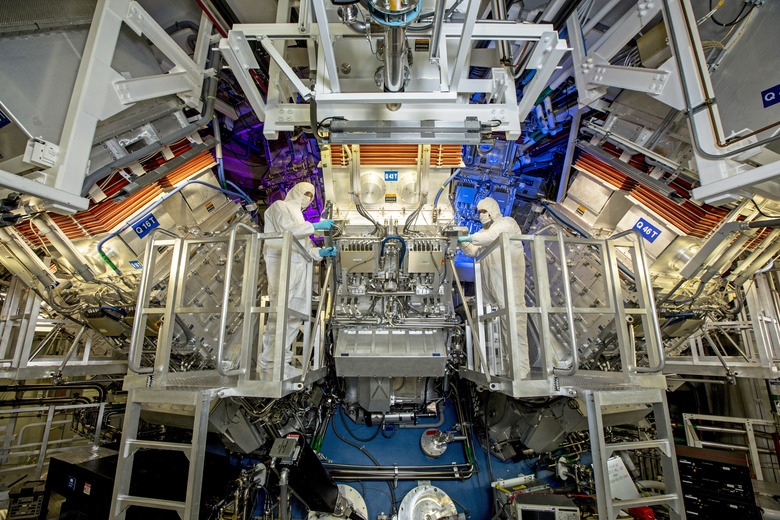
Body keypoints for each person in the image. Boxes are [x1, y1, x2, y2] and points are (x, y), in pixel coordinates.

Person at [261, 182, 336, 377]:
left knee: (294, 318)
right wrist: (316, 225)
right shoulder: (280, 207)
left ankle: (282, 364)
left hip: (300, 274)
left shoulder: (300, 218)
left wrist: (321, 252)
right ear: (296, 192)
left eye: (311, 195)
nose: (308, 198)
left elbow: (305, 248)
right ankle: (269, 365)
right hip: (283, 269)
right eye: (305, 193)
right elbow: (290, 231)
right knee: (280, 316)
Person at [457, 197, 529, 378]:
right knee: (495, 329)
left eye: (484, 211)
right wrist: (460, 239)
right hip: (490, 289)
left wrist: (468, 236)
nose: (481, 216)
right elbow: (472, 251)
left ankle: (521, 372)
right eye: (479, 212)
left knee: (513, 326)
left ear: (493, 210)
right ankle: (503, 370)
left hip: (508, 283)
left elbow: (489, 237)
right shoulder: (482, 232)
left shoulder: (507, 223)